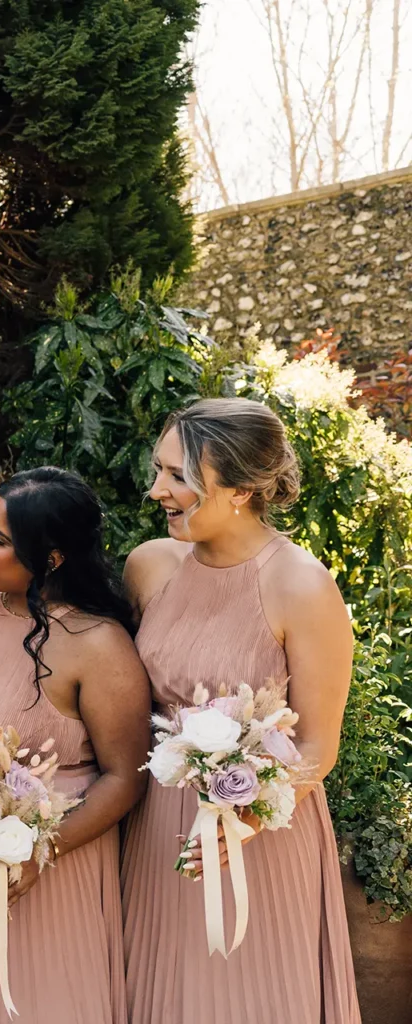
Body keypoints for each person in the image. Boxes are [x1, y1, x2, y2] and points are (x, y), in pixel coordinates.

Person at [121, 397, 360, 1024]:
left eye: (179, 478)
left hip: (260, 834)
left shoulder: (301, 586)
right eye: (159, 470)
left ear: (241, 490)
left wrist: (244, 824)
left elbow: (318, 747)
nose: (157, 491)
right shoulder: (150, 566)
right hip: (157, 828)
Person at [0, 467, 150, 1023]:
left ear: (53, 557)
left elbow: (126, 777)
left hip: (56, 865)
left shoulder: (98, 644)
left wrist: (42, 849)